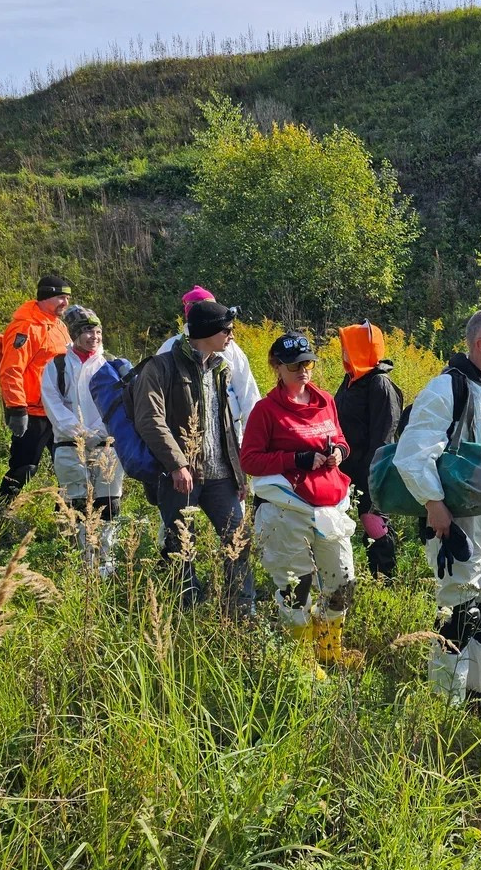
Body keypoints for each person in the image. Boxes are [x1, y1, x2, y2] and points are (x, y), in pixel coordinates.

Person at [393, 308, 481, 719]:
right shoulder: (448, 388)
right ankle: (445, 704)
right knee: (459, 613)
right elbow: (412, 452)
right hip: (458, 520)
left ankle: (480, 695)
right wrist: (433, 503)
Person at [241, 333, 357, 673]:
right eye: (294, 366)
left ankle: (329, 650)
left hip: (330, 507)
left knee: (342, 583)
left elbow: (341, 439)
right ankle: (303, 664)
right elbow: (250, 461)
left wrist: (338, 452)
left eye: (307, 364)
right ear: (276, 367)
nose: (303, 371)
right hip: (286, 510)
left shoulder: (324, 400)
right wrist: (297, 458)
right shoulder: (266, 411)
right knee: (297, 587)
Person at [133, 300, 255, 616]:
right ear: (206, 332)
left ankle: (242, 613)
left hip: (222, 477)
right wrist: (177, 463)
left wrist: (239, 474)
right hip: (180, 477)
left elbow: (227, 425)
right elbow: (150, 418)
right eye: (226, 329)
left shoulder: (222, 368)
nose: (231, 335)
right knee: (180, 547)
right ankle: (186, 612)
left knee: (238, 544)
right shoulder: (160, 367)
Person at [41, 305, 124, 576]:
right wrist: (80, 432)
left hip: (107, 446)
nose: (94, 336)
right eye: (87, 330)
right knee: (78, 504)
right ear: (75, 333)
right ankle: (83, 561)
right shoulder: (57, 366)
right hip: (69, 445)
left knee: (109, 504)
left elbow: (122, 404)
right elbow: (53, 405)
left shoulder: (112, 364)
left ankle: (106, 559)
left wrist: (102, 432)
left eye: (98, 330)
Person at [334, 320, 404, 577]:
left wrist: (373, 476)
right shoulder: (351, 379)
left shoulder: (380, 384)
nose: (343, 351)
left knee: (373, 521)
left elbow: (384, 436)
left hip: (371, 471)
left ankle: (385, 580)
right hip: (346, 469)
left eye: (347, 346)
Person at [0, 274, 72, 502]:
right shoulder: (25, 328)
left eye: (67, 298)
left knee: (69, 469)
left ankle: (67, 523)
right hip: (33, 412)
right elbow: (11, 370)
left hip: (59, 411)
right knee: (24, 468)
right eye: (60, 297)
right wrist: (17, 409)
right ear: (44, 297)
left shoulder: (59, 326)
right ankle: (0, 515)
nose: (65, 303)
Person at [157, 286, 260, 446]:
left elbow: (248, 394)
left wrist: (252, 441)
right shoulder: (170, 348)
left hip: (230, 438)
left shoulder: (231, 349)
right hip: (185, 441)